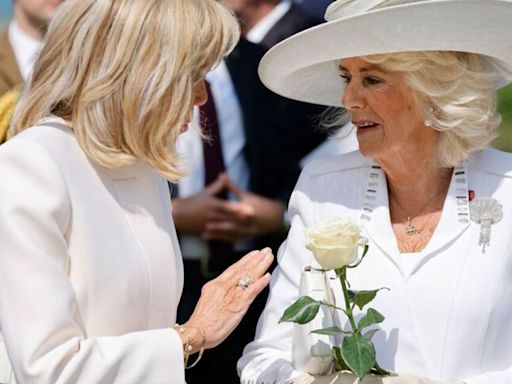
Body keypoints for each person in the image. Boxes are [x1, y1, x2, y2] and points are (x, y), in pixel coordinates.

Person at [238, 0, 512, 383]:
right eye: (346, 77)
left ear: (433, 91)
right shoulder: (323, 187)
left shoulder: (507, 190)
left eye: (372, 79)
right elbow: (265, 358)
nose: (349, 99)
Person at [0, 0, 274, 383]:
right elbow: (48, 368)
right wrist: (192, 335)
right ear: (136, 72)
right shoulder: (29, 165)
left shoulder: (144, 169)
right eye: (191, 76)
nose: (201, 98)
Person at [174, 37, 296, 384]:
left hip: (249, 275)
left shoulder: (258, 61)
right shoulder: (146, 57)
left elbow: (291, 153)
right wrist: (173, 213)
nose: (198, 95)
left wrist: (277, 213)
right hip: (173, 278)